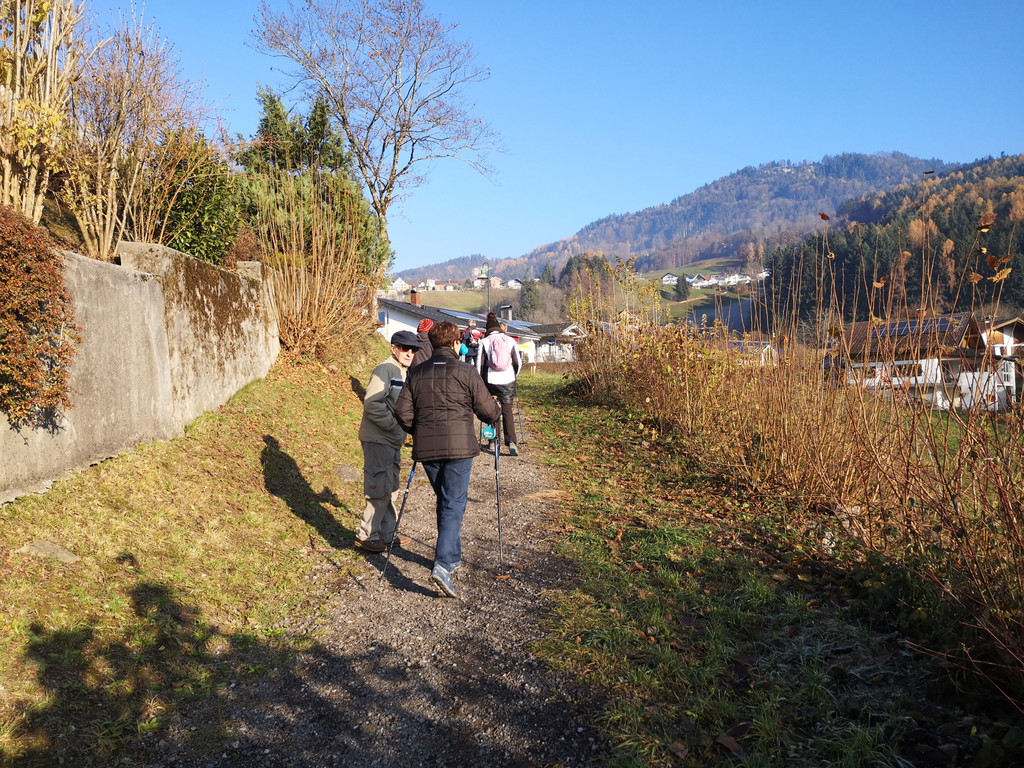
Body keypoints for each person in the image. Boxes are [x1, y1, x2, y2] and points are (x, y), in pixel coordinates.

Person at [395, 321, 501, 598]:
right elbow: (488, 412)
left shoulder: (416, 372)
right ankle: (442, 565)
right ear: (456, 343)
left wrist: (419, 430)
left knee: (445, 500)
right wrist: (497, 410)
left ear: (432, 343)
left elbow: (402, 412)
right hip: (458, 448)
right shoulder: (465, 371)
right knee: (453, 503)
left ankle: (452, 557)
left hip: (427, 448)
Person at [354, 330, 421, 553]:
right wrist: (395, 427)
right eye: (405, 348)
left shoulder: (403, 371)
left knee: (391, 487)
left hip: (392, 440)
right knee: (378, 488)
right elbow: (372, 404)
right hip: (378, 438)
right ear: (393, 348)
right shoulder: (385, 369)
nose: (409, 353)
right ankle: (367, 535)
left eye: (413, 349)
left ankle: (387, 534)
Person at [478, 312, 521, 456]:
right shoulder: (510, 340)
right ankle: (511, 442)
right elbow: (517, 362)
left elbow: (480, 365)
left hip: (490, 380)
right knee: (507, 411)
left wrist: (481, 381)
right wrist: (513, 374)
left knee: (492, 410)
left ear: (488, 329)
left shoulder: (484, 342)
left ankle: (492, 440)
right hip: (508, 379)